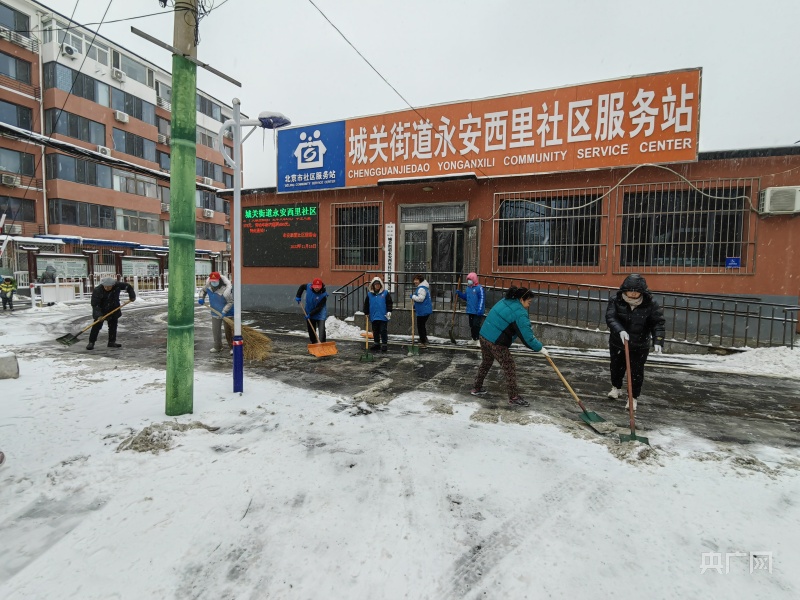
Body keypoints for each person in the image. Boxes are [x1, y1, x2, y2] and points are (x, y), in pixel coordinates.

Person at [471, 286, 549, 407]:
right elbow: (527, 338)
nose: (529, 305)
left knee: (486, 362)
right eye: (529, 302)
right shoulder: (520, 312)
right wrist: (540, 348)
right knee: (509, 366)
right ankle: (513, 397)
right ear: (522, 299)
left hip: (484, 336)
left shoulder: (506, 301)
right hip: (495, 342)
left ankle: (476, 387)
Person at [605, 274, 666, 411]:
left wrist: (658, 340)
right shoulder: (616, 300)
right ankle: (616, 387)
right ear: (624, 290)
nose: (633, 293)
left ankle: (633, 398)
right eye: (630, 290)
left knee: (636, 372)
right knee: (616, 367)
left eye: (636, 291)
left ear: (642, 291)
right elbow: (611, 318)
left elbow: (658, 323)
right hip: (618, 342)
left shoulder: (650, 304)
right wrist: (620, 330)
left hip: (640, 345)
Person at [87, 276, 136, 350]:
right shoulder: (97, 290)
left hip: (114, 308)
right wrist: (98, 315)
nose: (107, 288)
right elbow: (95, 304)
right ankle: (91, 342)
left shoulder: (117, 285)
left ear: (113, 285)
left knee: (113, 326)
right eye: (105, 287)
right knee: (96, 326)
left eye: (109, 287)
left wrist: (132, 296)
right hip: (101, 310)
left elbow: (128, 287)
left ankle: (111, 342)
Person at [198, 271, 234, 354]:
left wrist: (224, 311)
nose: (213, 282)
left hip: (227, 312)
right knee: (216, 330)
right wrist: (201, 298)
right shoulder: (208, 286)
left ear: (219, 280)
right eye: (212, 281)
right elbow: (203, 291)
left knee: (228, 331)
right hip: (215, 311)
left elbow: (230, 302)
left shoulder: (226, 289)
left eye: (215, 281)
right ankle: (218, 347)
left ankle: (232, 347)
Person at [363, 276, 393, 353]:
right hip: (374, 315)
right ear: (373, 285)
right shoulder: (369, 294)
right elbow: (366, 304)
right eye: (376, 284)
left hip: (383, 315)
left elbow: (389, 303)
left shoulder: (385, 293)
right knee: (375, 330)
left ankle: (384, 344)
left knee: (383, 330)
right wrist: (366, 312)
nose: (377, 286)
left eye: (378, 284)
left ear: (381, 285)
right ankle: (376, 343)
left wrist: (389, 311)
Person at [456, 272, 486, 345]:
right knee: (472, 325)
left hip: (477, 311)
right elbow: (466, 297)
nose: (469, 281)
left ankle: (478, 339)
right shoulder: (468, 288)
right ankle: (474, 338)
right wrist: (460, 294)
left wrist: (480, 309)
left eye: (470, 279)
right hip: (470, 310)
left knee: (476, 325)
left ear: (474, 280)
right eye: (468, 280)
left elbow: (482, 299)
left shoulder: (479, 288)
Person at [295, 277, 328, 343]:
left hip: (320, 315)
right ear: (313, 286)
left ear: (321, 286)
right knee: (311, 331)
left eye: (318, 287)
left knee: (321, 331)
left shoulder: (323, 295)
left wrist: (310, 314)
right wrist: (298, 296)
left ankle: (323, 343)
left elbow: (319, 308)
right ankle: (314, 343)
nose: (317, 289)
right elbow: (302, 287)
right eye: (315, 287)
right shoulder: (308, 287)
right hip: (309, 311)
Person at [409, 274, 432, 347]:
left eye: (417, 280)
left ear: (420, 281)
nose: (415, 281)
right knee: (422, 325)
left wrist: (413, 296)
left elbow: (420, 299)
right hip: (424, 309)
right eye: (414, 280)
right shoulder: (423, 287)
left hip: (423, 310)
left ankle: (423, 341)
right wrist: (415, 305)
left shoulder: (421, 288)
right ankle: (424, 338)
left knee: (420, 326)